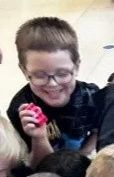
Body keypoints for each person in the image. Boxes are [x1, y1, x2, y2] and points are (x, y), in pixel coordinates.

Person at [7, 17, 100, 166]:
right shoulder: (21, 109)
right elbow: (38, 166)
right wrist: (39, 137)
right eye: (40, 75)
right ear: (24, 70)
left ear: (76, 67)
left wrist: (80, 158)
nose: (52, 84)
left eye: (62, 74)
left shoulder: (91, 95)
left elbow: (98, 131)